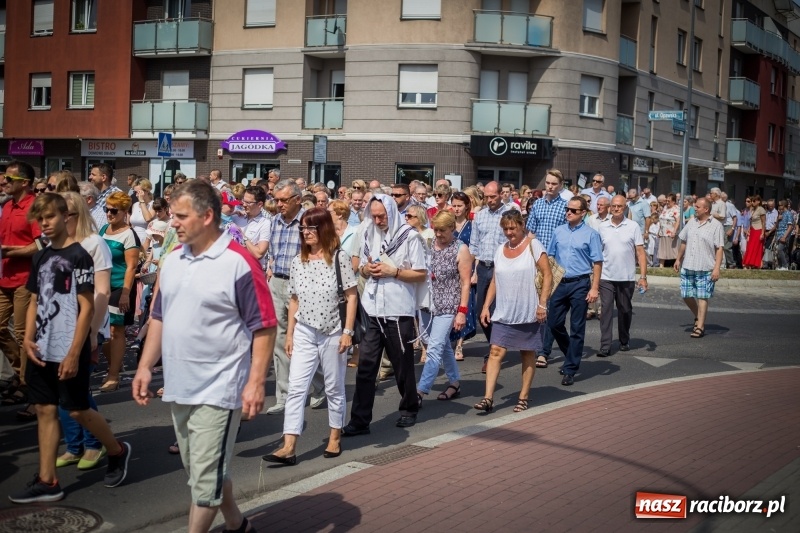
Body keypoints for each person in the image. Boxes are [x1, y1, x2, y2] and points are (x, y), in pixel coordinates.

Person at [133, 180, 277, 533]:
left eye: (181, 216)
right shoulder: (173, 261)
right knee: (203, 474)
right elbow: (159, 318)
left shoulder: (239, 262)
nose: (174, 223)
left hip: (220, 389)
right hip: (180, 386)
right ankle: (238, 525)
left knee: (205, 484)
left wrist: (256, 383)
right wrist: (144, 367)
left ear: (207, 215)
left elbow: (265, 327)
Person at [9, 193, 131, 504]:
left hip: (68, 346)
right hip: (42, 347)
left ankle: (116, 451)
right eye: (41, 219)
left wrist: (76, 351)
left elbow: (87, 307)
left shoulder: (79, 256)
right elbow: (35, 299)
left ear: (66, 216)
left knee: (76, 408)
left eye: (50, 217)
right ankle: (48, 480)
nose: (45, 224)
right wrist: (27, 337)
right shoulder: (41, 256)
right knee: (45, 409)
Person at [262, 209, 357, 466]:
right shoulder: (297, 261)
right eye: (303, 228)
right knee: (296, 389)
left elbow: (351, 296)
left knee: (334, 387)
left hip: (332, 331)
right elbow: (294, 300)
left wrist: (347, 332)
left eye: (311, 228)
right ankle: (289, 445)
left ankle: (335, 435)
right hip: (304, 330)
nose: (305, 232)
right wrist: (290, 333)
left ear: (323, 229)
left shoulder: (339, 258)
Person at [343, 194, 427, 434]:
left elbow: (421, 273)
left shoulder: (409, 236)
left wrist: (394, 271)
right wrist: (366, 269)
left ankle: (409, 408)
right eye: (375, 215)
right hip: (371, 307)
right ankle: (360, 421)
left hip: (398, 309)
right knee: (366, 366)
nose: (378, 220)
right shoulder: (368, 232)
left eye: (382, 216)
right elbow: (360, 266)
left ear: (392, 212)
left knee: (402, 365)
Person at [52, 192, 112, 467]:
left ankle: (93, 444)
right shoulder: (55, 244)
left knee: (78, 389)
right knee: (60, 388)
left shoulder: (94, 243)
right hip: (56, 327)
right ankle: (73, 445)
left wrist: (92, 332)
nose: (59, 220)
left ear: (77, 215)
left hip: (84, 325)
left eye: (66, 214)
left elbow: (102, 292)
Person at [476, 211, 551, 413]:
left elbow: (548, 274)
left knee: (527, 353)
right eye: (505, 229)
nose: (509, 233)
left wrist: (542, 304)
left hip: (528, 311)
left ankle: (523, 397)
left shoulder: (534, 246)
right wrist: (485, 306)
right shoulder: (500, 249)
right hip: (504, 311)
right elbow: (494, 281)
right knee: (495, 352)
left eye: (513, 228)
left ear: (521, 226)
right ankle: (487, 398)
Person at [267, 179, 325, 414]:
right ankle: (285, 395)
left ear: (297, 200)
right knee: (280, 339)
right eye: (276, 199)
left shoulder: (308, 221)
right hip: (278, 281)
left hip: (303, 286)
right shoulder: (275, 222)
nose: (279, 204)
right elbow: (272, 252)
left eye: (283, 200)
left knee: (305, 338)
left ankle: (320, 386)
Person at [415, 211, 471, 406]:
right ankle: (454, 382)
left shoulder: (460, 249)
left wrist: (462, 312)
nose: (438, 234)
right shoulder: (430, 246)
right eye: (436, 229)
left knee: (434, 348)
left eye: (442, 230)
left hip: (448, 306)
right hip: (427, 305)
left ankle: (420, 391)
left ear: (452, 229)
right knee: (442, 345)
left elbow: (465, 283)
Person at [547, 196, 603, 386]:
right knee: (554, 323)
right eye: (567, 209)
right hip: (559, 283)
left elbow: (597, 262)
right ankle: (571, 352)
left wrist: (594, 288)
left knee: (577, 327)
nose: (568, 212)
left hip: (580, 283)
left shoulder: (591, 234)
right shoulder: (559, 231)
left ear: (583, 213)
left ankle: (570, 368)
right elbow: (551, 256)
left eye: (573, 210)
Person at [0, 161, 42, 407]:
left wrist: (9, 252)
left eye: (9, 178)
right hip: (4, 277)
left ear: (24, 183)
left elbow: (39, 245)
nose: (4, 182)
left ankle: (26, 385)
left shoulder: (34, 206)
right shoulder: (7, 206)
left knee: (24, 333)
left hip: (25, 280)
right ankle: (19, 374)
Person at [468, 182, 514, 372]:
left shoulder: (509, 214)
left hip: (501, 268)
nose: (489, 200)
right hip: (483, 268)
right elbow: (474, 244)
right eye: (486, 197)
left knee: (495, 312)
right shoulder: (480, 215)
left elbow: (514, 241)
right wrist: (472, 270)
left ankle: (494, 352)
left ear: (501, 195)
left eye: (493, 197)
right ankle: (495, 344)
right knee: (481, 313)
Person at [525, 170, 569, 368]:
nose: (550, 187)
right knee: (535, 303)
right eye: (548, 183)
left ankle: (544, 351)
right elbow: (531, 232)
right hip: (537, 258)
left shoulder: (564, 207)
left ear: (560, 185)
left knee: (548, 305)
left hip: (555, 260)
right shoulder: (538, 205)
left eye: (554, 184)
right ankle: (533, 345)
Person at [596, 195, 648, 357]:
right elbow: (597, 253)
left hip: (626, 277)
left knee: (625, 309)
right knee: (605, 310)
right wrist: (594, 277)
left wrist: (643, 277)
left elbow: (640, 253)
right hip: (606, 276)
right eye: (614, 206)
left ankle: (624, 339)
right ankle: (605, 345)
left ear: (625, 207)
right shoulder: (602, 227)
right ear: (610, 207)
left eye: (620, 206)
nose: (616, 208)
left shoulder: (632, 226)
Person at [99, 192, 139, 393]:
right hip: (100, 286)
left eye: (114, 210)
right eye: (107, 209)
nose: (109, 213)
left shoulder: (129, 234)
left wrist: (125, 293)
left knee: (116, 330)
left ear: (124, 212)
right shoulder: (104, 229)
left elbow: (131, 267)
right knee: (100, 332)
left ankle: (113, 375)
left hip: (119, 287)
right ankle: (115, 362)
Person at [673, 197, 724, 339]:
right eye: (695, 207)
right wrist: (678, 259)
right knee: (686, 295)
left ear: (706, 209)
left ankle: (700, 326)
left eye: (698, 207)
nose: (695, 209)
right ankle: (698, 316)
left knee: (702, 296)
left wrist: (716, 268)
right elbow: (683, 241)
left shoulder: (716, 225)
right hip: (688, 264)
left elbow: (719, 248)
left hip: (705, 266)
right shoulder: (691, 223)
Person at [449, 192, 475, 361]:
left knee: (464, 305)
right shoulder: (449, 224)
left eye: (460, 206)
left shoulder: (472, 226)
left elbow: (475, 248)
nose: (457, 209)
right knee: (450, 304)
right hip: (450, 269)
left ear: (466, 207)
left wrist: (475, 271)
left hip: (466, 268)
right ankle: (449, 340)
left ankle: (459, 343)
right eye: (454, 205)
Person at [232, 187, 271, 271]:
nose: (244, 204)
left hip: (251, 272)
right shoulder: (236, 217)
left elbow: (258, 254)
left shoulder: (265, 223)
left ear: (260, 204)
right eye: (243, 201)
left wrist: (242, 236)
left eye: (248, 202)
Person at [742, 195, 766, 269]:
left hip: (758, 230)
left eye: (754, 201)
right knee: (750, 247)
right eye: (752, 201)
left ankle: (756, 263)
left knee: (756, 248)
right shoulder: (752, 210)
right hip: (752, 230)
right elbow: (751, 221)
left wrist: (762, 233)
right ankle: (749, 263)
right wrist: (749, 230)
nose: (752, 202)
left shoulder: (761, 209)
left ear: (758, 201)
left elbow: (763, 222)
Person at [657, 193, 680, 267]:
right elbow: (661, 220)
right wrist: (658, 231)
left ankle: (676, 265)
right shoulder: (665, 208)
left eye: (669, 201)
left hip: (670, 232)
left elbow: (678, 221)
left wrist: (674, 231)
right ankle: (661, 265)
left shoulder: (676, 209)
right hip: (663, 232)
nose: (667, 202)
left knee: (673, 250)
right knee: (662, 249)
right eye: (666, 200)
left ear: (673, 201)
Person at [129, 179, 155, 244]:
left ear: (146, 191)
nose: (136, 195)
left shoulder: (153, 204)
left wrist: (142, 201)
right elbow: (132, 224)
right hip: (134, 239)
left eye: (138, 192)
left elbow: (148, 219)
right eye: (135, 192)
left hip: (147, 240)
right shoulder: (135, 205)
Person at [775, 200, 795, 270]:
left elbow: (790, 226)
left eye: (780, 205)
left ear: (784, 205)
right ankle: (781, 266)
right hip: (779, 235)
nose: (779, 206)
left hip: (784, 235)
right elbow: (776, 226)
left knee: (780, 249)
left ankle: (785, 265)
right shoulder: (781, 214)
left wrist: (785, 236)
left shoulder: (788, 214)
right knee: (779, 251)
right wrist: (777, 219)